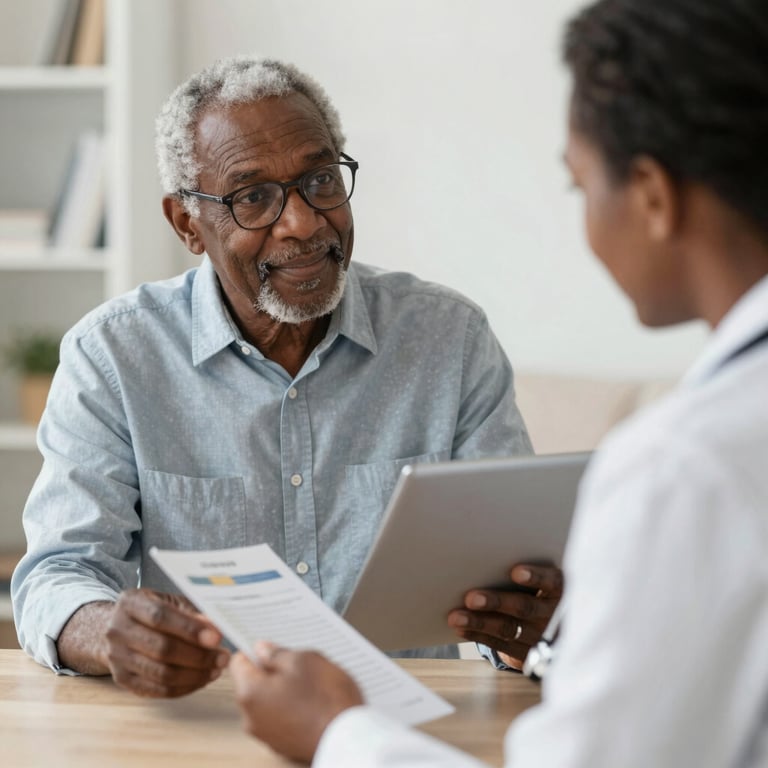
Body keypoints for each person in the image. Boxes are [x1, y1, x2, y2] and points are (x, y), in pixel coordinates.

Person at [227, 0, 768, 765]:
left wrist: (333, 736)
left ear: (650, 193)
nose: (300, 224)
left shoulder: (681, 470)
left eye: (578, 184)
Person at [11, 56, 562, 698]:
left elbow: (519, 587)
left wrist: (539, 626)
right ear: (188, 224)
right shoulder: (113, 355)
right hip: (207, 722)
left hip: (399, 733)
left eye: (320, 180)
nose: (302, 223)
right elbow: (59, 573)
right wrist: (112, 632)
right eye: (253, 198)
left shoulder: (450, 340)